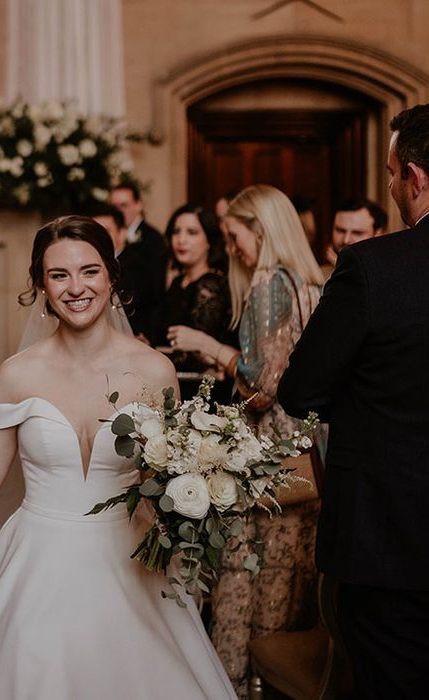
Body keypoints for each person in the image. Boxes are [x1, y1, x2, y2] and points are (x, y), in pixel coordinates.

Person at [0, 215, 237, 699]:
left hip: (132, 561)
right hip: (37, 563)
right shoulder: (15, 375)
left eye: (89, 271)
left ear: (112, 276)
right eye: (58, 275)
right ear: (40, 285)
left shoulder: (156, 371)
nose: (76, 288)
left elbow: (173, 478)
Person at [278, 104, 429, 699]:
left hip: (388, 534)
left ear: (415, 178)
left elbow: (301, 388)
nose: (391, 185)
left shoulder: (374, 266)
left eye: (392, 173)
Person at [166, 184, 324, 696]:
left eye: (236, 237)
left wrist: (212, 348)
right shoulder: (309, 282)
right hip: (307, 448)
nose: (232, 248)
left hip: (268, 451)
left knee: (243, 576)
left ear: (261, 229)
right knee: (287, 575)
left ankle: (235, 684)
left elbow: (263, 385)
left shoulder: (269, 285)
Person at [154, 204, 231, 401]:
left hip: (202, 395)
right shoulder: (178, 283)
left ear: (209, 241)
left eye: (192, 232)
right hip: (175, 386)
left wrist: (148, 355)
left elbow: (198, 358)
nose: (181, 240)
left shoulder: (211, 285)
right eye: (176, 232)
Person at [90, 202, 159, 341]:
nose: (97, 238)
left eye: (105, 231)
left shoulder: (137, 267)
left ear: (122, 234)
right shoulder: (88, 266)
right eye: (93, 233)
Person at [109, 182, 167, 337]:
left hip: (141, 324)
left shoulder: (153, 239)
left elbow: (156, 292)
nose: (119, 211)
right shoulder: (110, 237)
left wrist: (148, 334)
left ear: (138, 205)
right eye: (114, 207)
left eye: (124, 205)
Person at [320, 197, 387, 278]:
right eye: (340, 230)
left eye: (357, 233)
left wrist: (346, 269)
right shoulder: (317, 276)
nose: (346, 240)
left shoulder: (390, 272)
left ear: (378, 234)